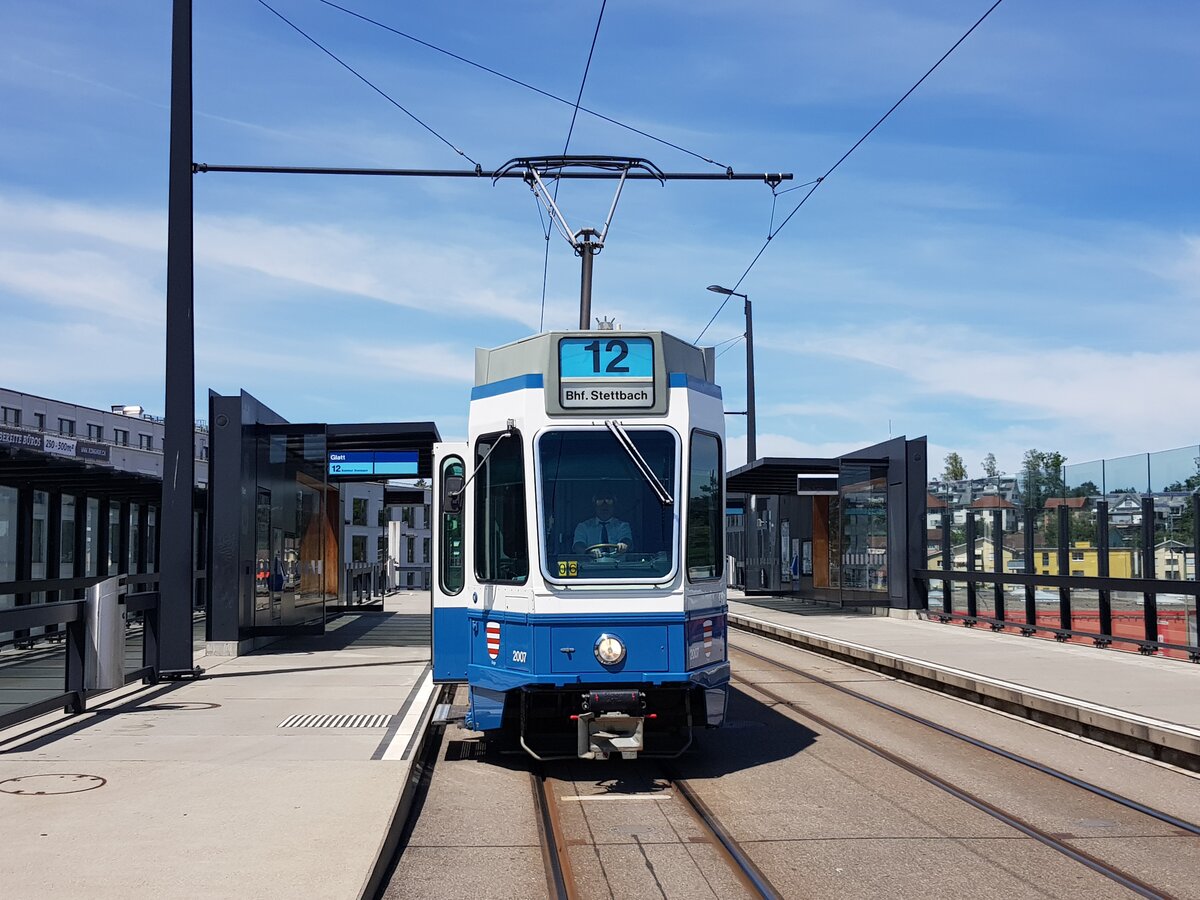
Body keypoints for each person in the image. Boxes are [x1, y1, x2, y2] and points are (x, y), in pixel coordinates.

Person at [572, 490, 632, 557]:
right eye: (600, 502)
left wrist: (623, 544)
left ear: (614, 506)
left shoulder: (623, 526)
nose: (604, 506)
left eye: (609, 501)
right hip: (590, 566)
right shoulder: (583, 527)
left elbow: (627, 540)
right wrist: (588, 551)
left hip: (618, 565)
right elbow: (578, 545)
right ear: (594, 506)